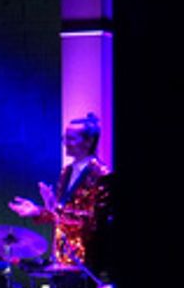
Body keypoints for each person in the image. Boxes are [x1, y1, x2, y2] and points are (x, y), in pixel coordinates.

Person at [9, 113, 114, 276]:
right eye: (65, 137)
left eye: (71, 139)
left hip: (87, 262)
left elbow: (92, 221)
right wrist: (39, 211)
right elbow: (60, 215)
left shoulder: (102, 175)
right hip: (62, 257)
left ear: (88, 142)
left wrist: (47, 210)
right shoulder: (67, 171)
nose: (65, 143)